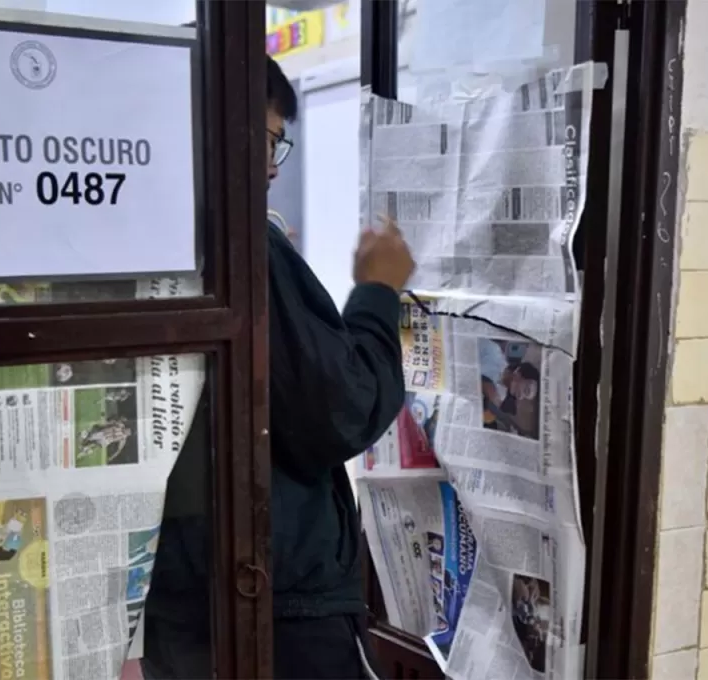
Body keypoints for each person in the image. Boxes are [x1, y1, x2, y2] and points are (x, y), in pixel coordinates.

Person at [143, 55, 414, 679]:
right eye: (268, 139)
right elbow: (340, 409)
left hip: (184, 594)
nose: (270, 166)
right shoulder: (240, 241)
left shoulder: (148, 225)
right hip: (273, 595)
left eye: (279, 146)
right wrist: (377, 290)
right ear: (216, 127)